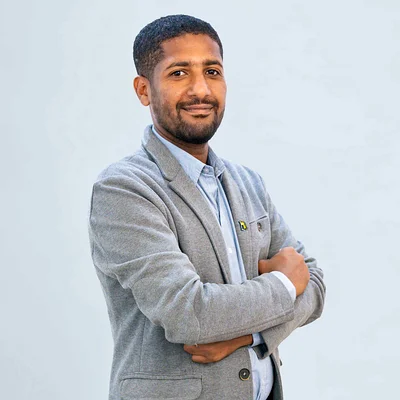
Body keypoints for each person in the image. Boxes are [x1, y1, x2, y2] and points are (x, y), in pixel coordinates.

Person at [88, 14, 326, 400]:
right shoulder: (124, 190)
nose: (200, 89)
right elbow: (189, 313)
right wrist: (285, 282)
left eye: (212, 72)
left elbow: (314, 285)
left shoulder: (248, 183)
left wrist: (246, 337)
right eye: (179, 73)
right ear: (144, 90)